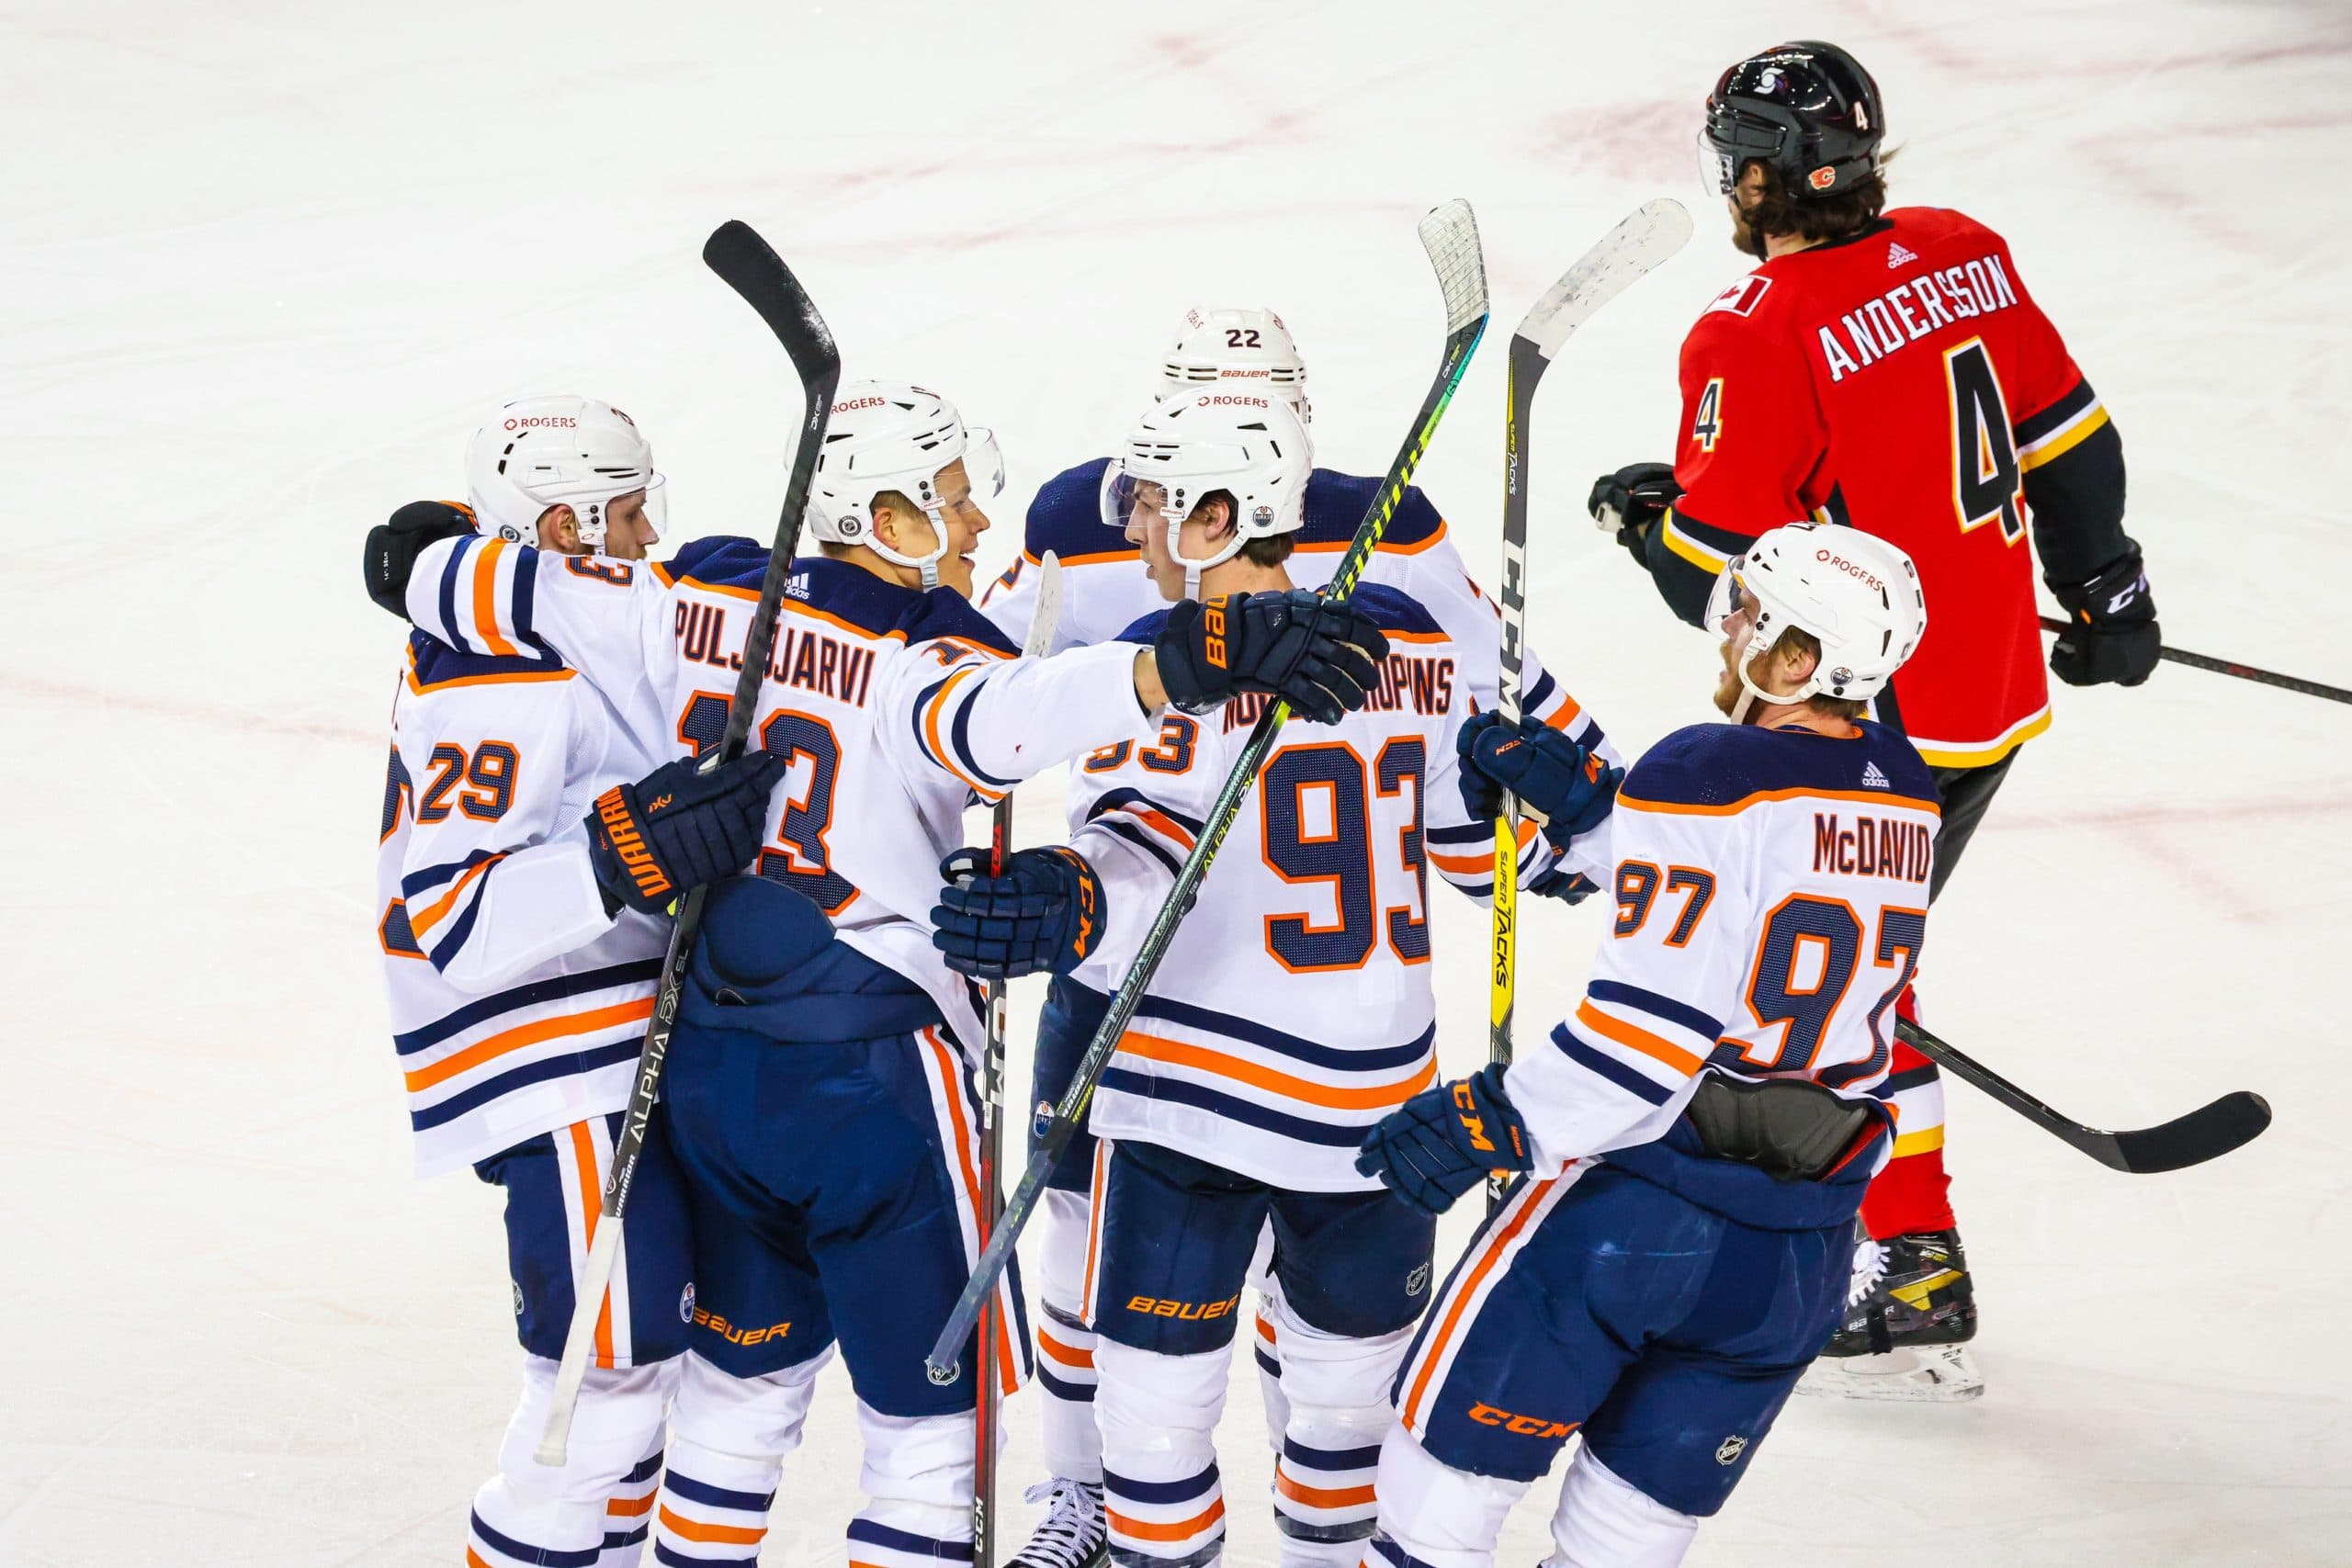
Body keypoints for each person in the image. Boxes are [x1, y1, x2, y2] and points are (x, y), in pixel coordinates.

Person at [379, 380, 1389, 1568]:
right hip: (873, 1083)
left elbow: (552, 592)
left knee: (736, 1397)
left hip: (708, 1070)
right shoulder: (929, 648)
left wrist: (426, 561)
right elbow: (1004, 721)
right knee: (933, 1441)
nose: (975, 523)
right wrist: (1178, 664)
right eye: (950, 500)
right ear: (886, 515)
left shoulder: (708, 589)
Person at [936, 390, 1620, 1568]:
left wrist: (1062, 901)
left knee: (1153, 1427)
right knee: (1345, 1423)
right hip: (1374, 1108)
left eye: (1151, 504)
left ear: (1216, 518)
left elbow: (1142, 864)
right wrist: (1562, 820)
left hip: (1185, 1103)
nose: (1131, 528)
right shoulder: (1409, 641)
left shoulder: (1159, 667)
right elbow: (1479, 862)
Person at [1588, 39, 2154, 1397]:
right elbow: (2068, 438)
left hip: (1875, 714)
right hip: (1992, 691)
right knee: (1848, 968)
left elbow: (1732, 588)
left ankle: (1905, 1257)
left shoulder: (1754, 327)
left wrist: (1643, 522)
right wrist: (2106, 586)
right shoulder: (1961, 249)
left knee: (1816, 980)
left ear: (1762, 177)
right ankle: (1883, 1245)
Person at [1355, 521, 1937, 1568]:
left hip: (1637, 1221)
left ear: (1797, 659)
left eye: (1751, 618)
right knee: (1624, 1543)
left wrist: (1493, 1119)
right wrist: (1594, 817)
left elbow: (1651, 1030)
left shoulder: (1706, 767)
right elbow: (1755, 887)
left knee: (1432, 1506)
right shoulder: (1904, 785)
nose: (1729, 633)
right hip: (1795, 1254)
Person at [370, 396, 782, 1568]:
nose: (648, 535)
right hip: (546, 1050)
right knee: (602, 1381)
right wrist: (625, 853)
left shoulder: (550, 617)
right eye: (629, 512)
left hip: (617, 1028)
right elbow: (453, 915)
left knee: (642, 1364)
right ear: (566, 525)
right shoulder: (495, 667)